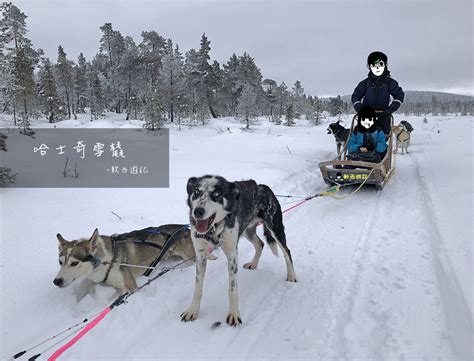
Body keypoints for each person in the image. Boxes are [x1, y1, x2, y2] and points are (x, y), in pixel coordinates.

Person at [351, 51, 405, 135]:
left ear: (385, 65)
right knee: (363, 137)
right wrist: (361, 109)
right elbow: (356, 96)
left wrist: (391, 108)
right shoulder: (365, 83)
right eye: (373, 65)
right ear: (369, 66)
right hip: (367, 115)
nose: (377, 68)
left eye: (380, 64)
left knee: (383, 138)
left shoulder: (389, 82)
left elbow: (399, 95)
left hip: (384, 114)